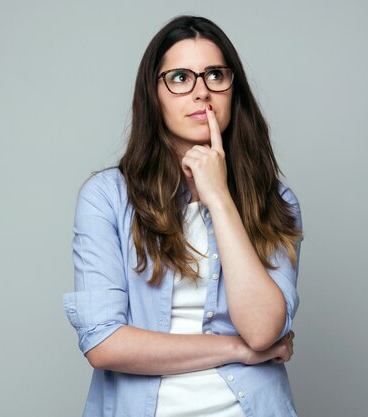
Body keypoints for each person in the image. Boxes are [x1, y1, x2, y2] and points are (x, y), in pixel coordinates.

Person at [63, 15, 303, 417]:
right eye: (179, 78)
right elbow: (104, 344)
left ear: (233, 89)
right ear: (153, 94)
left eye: (214, 75)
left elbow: (263, 329)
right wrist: (237, 351)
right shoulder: (106, 197)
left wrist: (219, 198)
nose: (201, 93)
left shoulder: (275, 200)